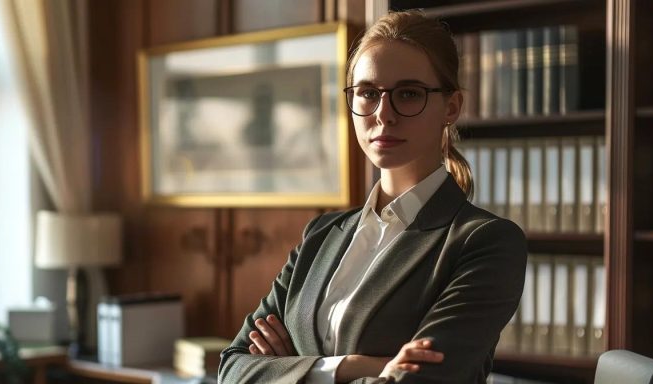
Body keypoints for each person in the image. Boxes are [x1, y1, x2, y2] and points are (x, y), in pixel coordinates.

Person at [217, 10, 527, 384]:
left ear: (451, 107)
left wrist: (291, 370)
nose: (384, 114)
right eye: (367, 93)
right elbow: (232, 368)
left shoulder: (485, 242)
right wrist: (362, 366)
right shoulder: (321, 233)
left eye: (408, 94)